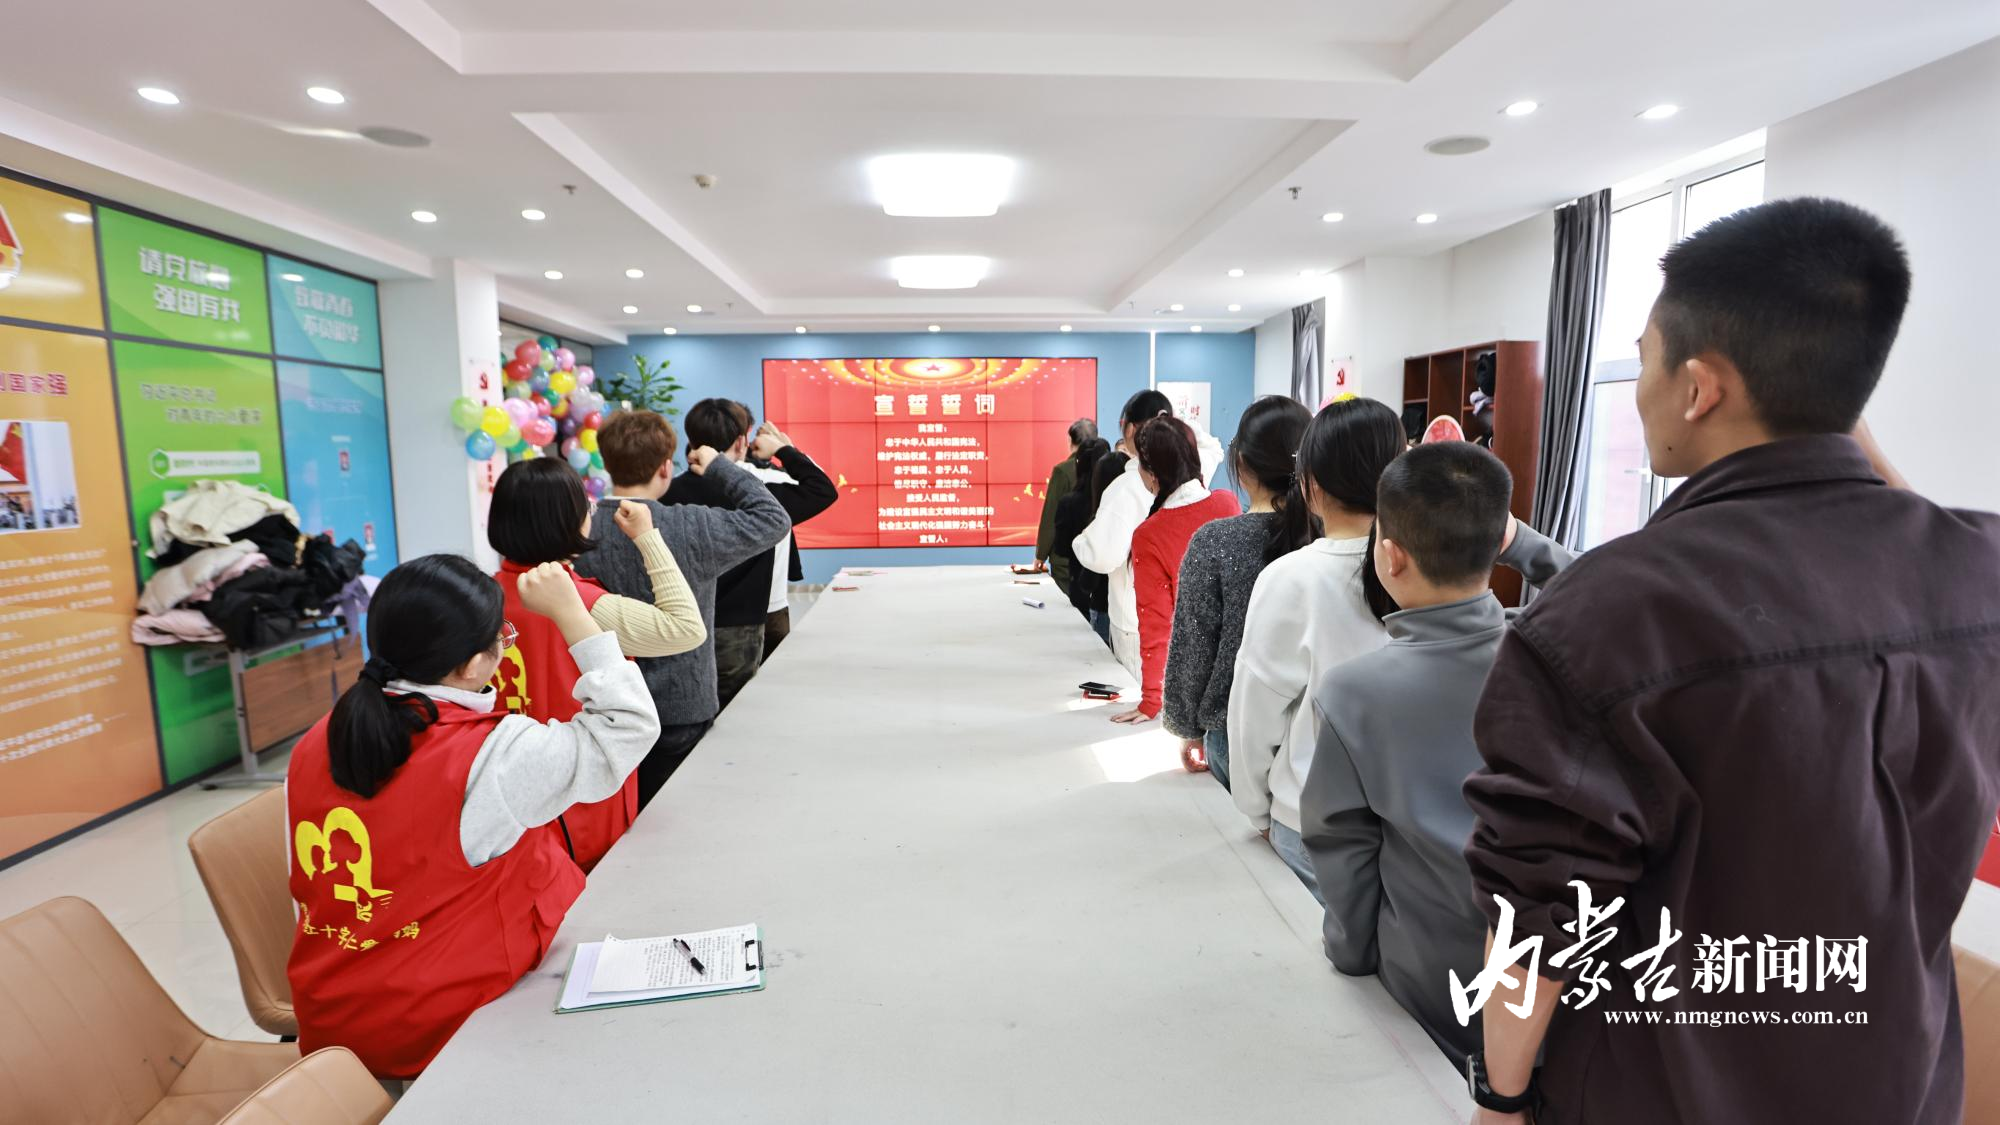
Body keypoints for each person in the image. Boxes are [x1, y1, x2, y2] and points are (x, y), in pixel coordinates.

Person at [1459, 199, 2000, 1125]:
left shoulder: (1610, 610)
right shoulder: (1976, 575)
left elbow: (1536, 923)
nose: (1638, 386)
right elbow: (1936, 547)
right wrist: (1833, 420)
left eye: (1646, 358)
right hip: (1902, 1085)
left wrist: (1497, 1098)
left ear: (1699, 388)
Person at [287, 554, 659, 1079]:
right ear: (471, 666)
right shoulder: (494, 756)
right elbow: (628, 727)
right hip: (439, 1037)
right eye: (501, 638)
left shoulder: (317, 740)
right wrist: (574, 613)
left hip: (333, 1020)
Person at [1298, 442, 1573, 1070]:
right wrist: (1523, 545)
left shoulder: (1354, 694)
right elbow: (1609, 590)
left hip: (1430, 984)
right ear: (1498, 543)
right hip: (1558, 985)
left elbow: (1342, 847)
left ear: (1391, 556)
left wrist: (1350, 954)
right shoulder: (1558, 658)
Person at [487, 459, 703, 871]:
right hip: (579, 794)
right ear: (565, 520)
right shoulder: (584, 606)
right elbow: (686, 629)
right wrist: (647, 537)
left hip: (504, 793)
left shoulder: (480, 598)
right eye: (583, 504)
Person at [1229, 395, 1404, 901]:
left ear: (1310, 485)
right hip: (1408, 831)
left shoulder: (1291, 578)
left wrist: (1256, 810)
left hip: (1311, 822)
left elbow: (1254, 716)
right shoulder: (1426, 570)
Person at [572, 409, 790, 808]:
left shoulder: (579, 529)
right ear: (664, 468)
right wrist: (720, 467)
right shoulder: (692, 525)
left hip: (603, 703)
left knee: (609, 817)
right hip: (682, 704)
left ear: (606, 462)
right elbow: (773, 519)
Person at [1161, 395, 1311, 789]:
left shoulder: (1216, 540)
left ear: (1241, 464)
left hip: (1235, 730)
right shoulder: (1325, 537)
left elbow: (1194, 646)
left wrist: (1186, 727)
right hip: (1318, 730)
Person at [664, 400, 835, 707]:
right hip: (745, 621)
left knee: (695, 703)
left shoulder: (669, 493)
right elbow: (822, 489)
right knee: (747, 707)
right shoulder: (762, 497)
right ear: (741, 442)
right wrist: (784, 450)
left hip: (683, 617)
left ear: (691, 439)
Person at [1072, 391, 1224, 677]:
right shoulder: (1196, 470)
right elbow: (1212, 447)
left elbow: (1101, 555)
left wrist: (1081, 540)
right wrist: (1173, 421)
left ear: (1130, 429)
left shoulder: (1127, 486)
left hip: (1137, 622)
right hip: (1189, 618)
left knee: (1145, 696)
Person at [1111, 417, 1240, 741]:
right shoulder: (1227, 503)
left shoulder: (1149, 535)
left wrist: (1151, 700)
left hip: (1196, 691)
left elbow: (1157, 625)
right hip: (1244, 677)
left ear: (1152, 474)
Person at [1054, 439, 1116, 640]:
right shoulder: (1116, 508)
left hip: (1080, 589)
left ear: (1078, 464)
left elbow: (1061, 548)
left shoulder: (1069, 503)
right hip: (1112, 598)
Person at [1034, 418, 1099, 598]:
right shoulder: (1105, 466)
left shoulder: (1063, 471)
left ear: (1070, 440)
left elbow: (1051, 516)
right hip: (1096, 555)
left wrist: (1040, 555)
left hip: (1066, 559)